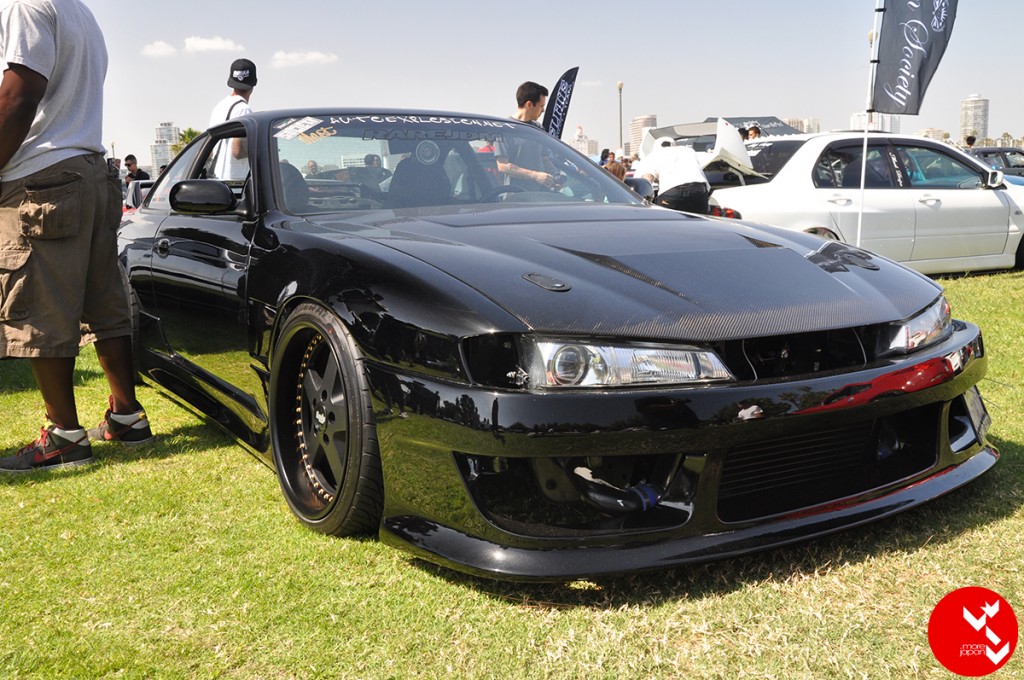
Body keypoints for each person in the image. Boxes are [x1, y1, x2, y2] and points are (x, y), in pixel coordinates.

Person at [0, 0, 152, 473]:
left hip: (43, 176)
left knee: (40, 302)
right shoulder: (80, 11)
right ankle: (127, 416)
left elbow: (19, 97)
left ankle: (63, 436)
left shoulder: (28, 4)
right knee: (103, 299)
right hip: (92, 169)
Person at [494, 81, 556, 189]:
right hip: (516, 194)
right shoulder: (505, 129)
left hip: (541, 194)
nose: (543, 110)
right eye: (541, 106)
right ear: (529, 104)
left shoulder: (538, 128)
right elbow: (502, 166)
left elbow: (544, 158)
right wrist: (535, 176)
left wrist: (555, 175)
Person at [208, 58, 257, 180]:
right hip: (235, 181)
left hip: (217, 179)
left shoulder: (219, 107)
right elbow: (237, 151)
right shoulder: (244, 109)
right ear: (254, 83)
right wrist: (262, 149)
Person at [632, 140, 712, 214]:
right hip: (698, 189)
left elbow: (647, 179)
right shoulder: (688, 150)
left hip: (672, 192)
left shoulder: (655, 154)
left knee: (667, 222)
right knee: (699, 222)